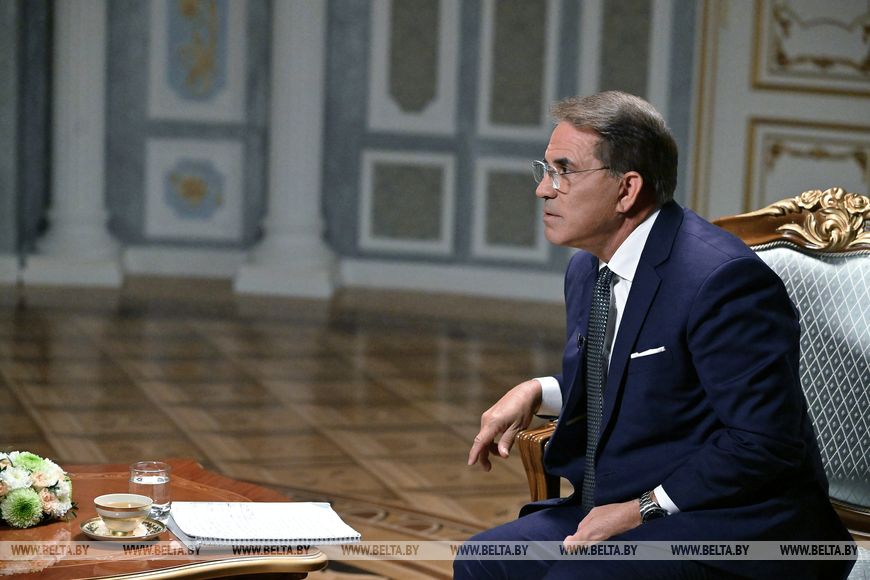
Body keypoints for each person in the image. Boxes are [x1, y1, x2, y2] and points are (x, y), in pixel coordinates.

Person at [454, 91, 854, 579]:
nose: (543, 189)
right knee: (483, 560)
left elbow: (764, 442)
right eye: (546, 170)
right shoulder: (587, 270)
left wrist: (639, 510)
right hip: (627, 501)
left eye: (564, 171)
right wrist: (538, 390)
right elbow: (635, 377)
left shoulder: (721, 280)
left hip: (734, 525)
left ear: (627, 189)